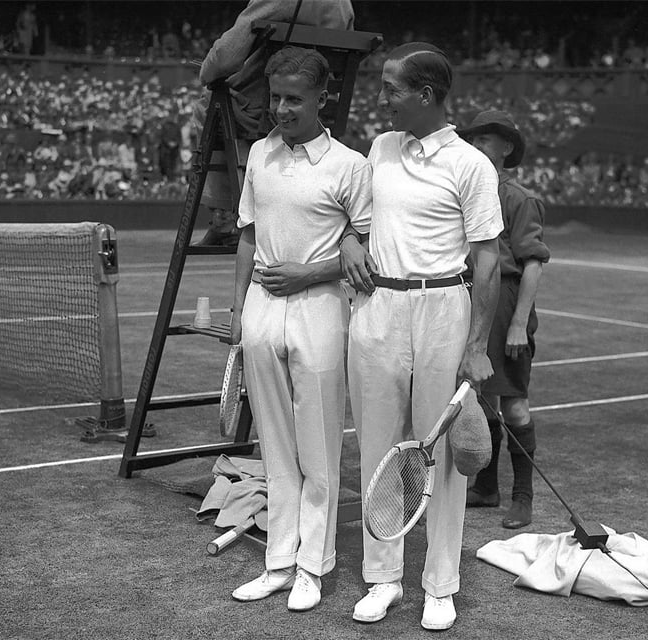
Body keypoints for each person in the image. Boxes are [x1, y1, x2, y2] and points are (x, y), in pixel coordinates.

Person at [339, 42, 502, 632]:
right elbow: (353, 217)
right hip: (378, 307)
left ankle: (440, 584)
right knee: (380, 448)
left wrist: (478, 346)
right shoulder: (380, 147)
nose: (383, 99)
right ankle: (382, 579)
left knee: (441, 457)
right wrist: (351, 241)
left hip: (443, 310)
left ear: (426, 95)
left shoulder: (472, 165)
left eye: (392, 89)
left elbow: (487, 262)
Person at [229, 46, 372, 612]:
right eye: (276, 98)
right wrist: (240, 315)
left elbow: (366, 252)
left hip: (320, 310)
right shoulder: (260, 155)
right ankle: (278, 563)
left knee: (318, 450)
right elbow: (246, 235)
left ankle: (314, 566)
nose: (282, 109)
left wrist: (307, 273)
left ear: (322, 100)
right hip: (261, 311)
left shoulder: (350, 165)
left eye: (294, 99)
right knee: (275, 447)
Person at [193, 0, 354, 247]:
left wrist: (206, 72)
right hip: (319, 112)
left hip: (265, 111)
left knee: (207, 104)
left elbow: (226, 56)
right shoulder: (343, 5)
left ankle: (223, 215)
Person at [457, 110, 551, 531]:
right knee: (481, 398)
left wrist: (517, 323)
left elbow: (532, 264)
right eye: (472, 137)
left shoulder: (519, 198)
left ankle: (523, 497)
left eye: (486, 138)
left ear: (506, 147)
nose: (475, 144)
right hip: (475, 298)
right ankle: (488, 486)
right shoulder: (469, 192)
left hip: (508, 301)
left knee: (513, 402)